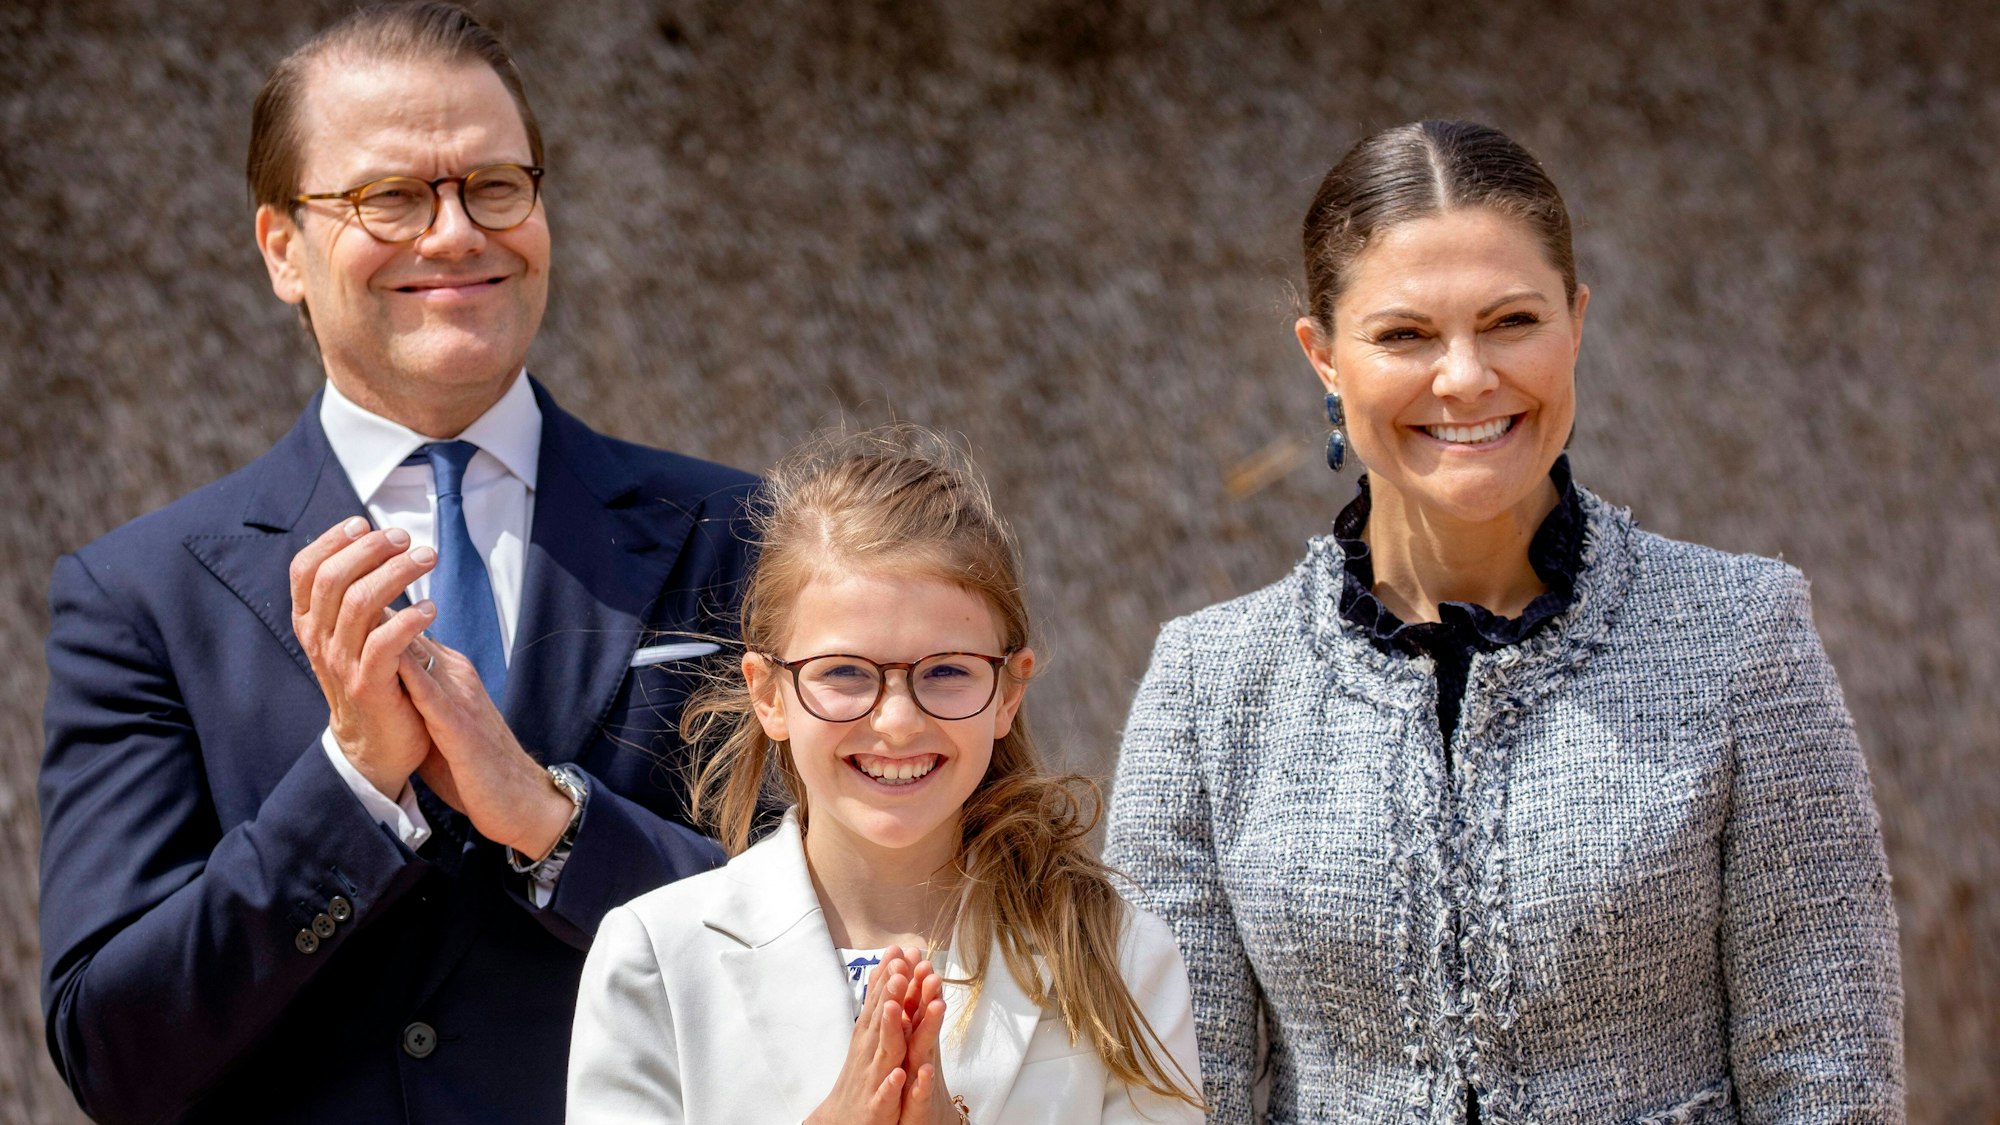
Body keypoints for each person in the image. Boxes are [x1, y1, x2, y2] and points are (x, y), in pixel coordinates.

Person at [1104, 120, 1904, 1124]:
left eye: (1509, 321)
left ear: (1574, 322)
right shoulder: (1206, 684)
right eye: (1402, 335)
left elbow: (1827, 1071)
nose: (1464, 378)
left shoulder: (1740, 634)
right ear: (1322, 356)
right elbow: (1174, 1093)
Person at [36, 5, 754, 1123]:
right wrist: (352, 786)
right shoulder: (141, 598)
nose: (457, 232)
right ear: (283, 248)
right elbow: (115, 1059)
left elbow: (846, 942)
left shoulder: (739, 531)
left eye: (494, 186)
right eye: (391, 197)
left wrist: (557, 823)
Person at [566, 426, 1205, 1123]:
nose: (898, 720)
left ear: (1009, 691)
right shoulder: (655, 956)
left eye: (947, 671)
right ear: (769, 693)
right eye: (843, 671)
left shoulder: (1119, 952)